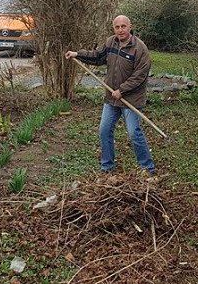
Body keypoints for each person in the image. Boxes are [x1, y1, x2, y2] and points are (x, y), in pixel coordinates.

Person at [65, 15, 156, 175]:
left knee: (134, 132)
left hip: (131, 99)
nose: (120, 30)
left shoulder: (140, 49)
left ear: (130, 27)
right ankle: (107, 167)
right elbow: (97, 56)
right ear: (114, 28)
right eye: (117, 27)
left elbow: (140, 76)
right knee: (104, 130)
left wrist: (122, 90)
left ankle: (147, 168)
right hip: (111, 98)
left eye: (123, 26)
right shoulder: (110, 42)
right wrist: (77, 54)